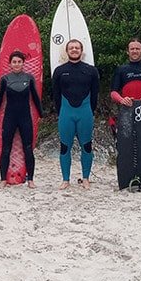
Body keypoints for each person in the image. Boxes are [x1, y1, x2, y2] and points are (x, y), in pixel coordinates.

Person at [51, 39, 100, 189]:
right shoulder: (59, 71)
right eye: (71, 48)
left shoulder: (91, 71)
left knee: (86, 146)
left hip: (85, 113)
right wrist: (61, 112)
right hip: (66, 113)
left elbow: (95, 95)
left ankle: (85, 178)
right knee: (65, 146)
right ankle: (66, 179)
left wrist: (90, 111)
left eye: (77, 48)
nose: (74, 50)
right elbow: (55, 95)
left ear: (81, 50)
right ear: (67, 51)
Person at [0, 50, 43, 187]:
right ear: (10, 64)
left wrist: (41, 114)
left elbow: (35, 98)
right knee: (6, 149)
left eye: (19, 62)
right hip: (9, 117)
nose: (17, 64)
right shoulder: (5, 79)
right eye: (14, 62)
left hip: (25, 118)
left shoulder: (29, 78)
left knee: (28, 148)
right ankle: (3, 179)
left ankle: (31, 180)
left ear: (23, 63)